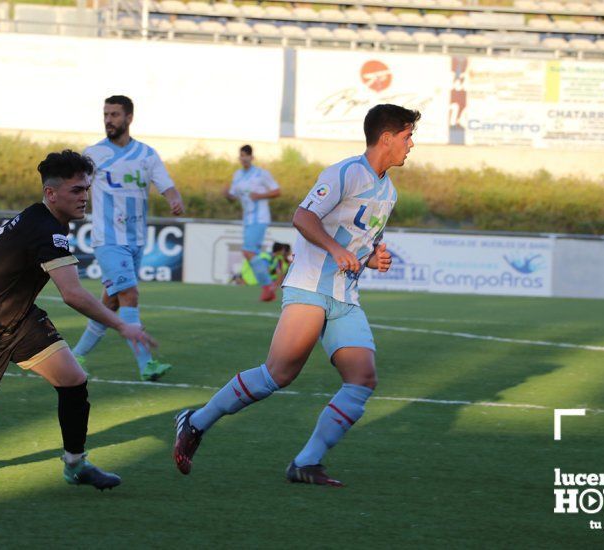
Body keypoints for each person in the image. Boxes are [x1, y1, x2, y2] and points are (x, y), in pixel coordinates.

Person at [173, 104, 420, 487]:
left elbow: (359, 245)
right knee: (278, 375)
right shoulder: (344, 173)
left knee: (362, 379)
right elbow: (303, 217)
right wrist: (336, 252)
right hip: (309, 286)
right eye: (407, 136)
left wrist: (373, 258)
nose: (411, 145)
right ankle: (196, 422)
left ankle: (307, 462)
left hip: (344, 297)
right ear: (386, 138)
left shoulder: (388, 191)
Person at [0, 150, 156, 488]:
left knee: (73, 380)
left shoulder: (43, 220)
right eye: (76, 190)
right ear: (51, 193)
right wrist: (122, 324)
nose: (84, 197)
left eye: (86, 189)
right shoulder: (46, 230)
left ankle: (75, 464)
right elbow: (72, 294)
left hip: (18, 319)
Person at [71, 95, 184, 381]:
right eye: (106, 114)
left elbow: (167, 186)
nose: (109, 120)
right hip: (108, 239)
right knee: (130, 295)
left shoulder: (147, 154)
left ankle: (74, 356)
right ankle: (146, 365)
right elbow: (74, 186)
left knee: (109, 304)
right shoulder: (93, 154)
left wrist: (174, 200)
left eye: (115, 114)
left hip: (135, 240)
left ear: (129, 118)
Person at [223, 144, 281, 301]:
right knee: (250, 253)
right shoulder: (238, 175)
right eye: (241, 155)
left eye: (245, 155)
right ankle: (268, 286)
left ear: (252, 157)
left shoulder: (261, 174)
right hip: (248, 219)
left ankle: (268, 285)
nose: (243, 158)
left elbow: (277, 191)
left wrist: (260, 196)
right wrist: (227, 194)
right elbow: (233, 197)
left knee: (248, 251)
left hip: (260, 217)